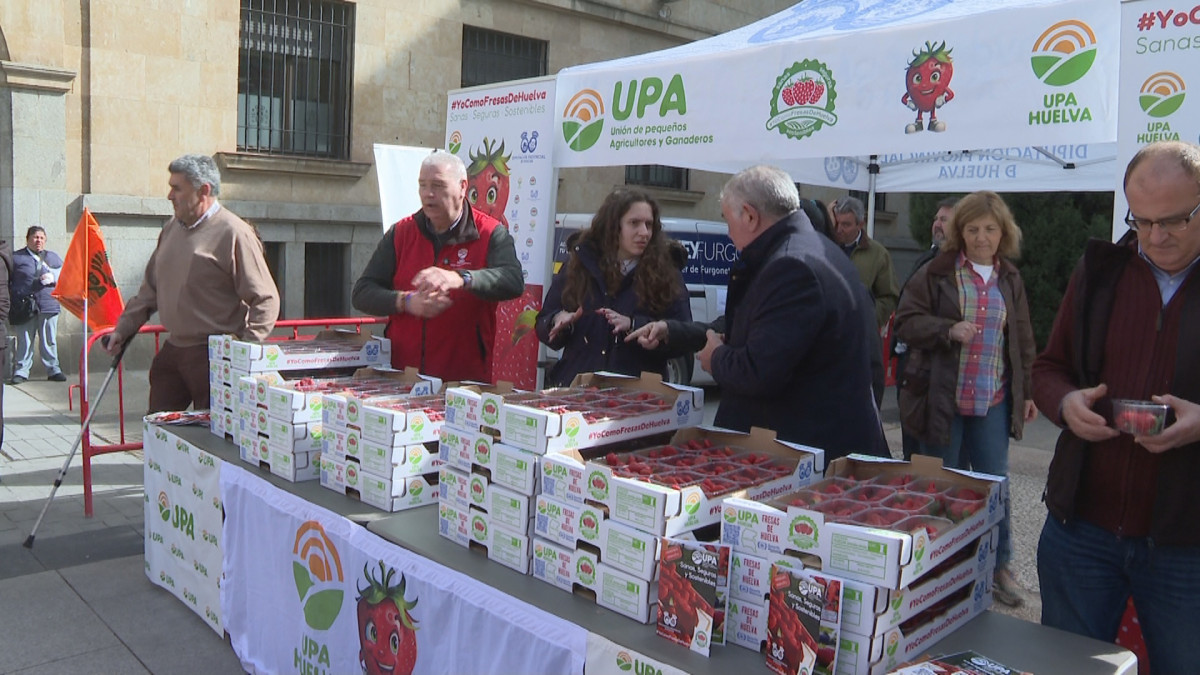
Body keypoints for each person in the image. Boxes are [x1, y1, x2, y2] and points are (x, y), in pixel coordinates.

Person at [1031, 141, 1200, 674]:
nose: (1154, 237)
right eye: (1142, 220)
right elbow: (1047, 369)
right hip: (1081, 530)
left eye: (1173, 220)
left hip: (1187, 542)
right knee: (1068, 668)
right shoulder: (1101, 270)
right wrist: (1066, 403)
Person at [627, 165, 887, 460]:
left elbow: (759, 371)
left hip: (801, 450)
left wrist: (717, 358)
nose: (728, 233)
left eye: (727, 220)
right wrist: (675, 331)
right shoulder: (815, 250)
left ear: (750, 216)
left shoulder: (792, 266)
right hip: (813, 442)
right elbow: (752, 328)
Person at [894, 190, 1038, 608]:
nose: (981, 237)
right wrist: (946, 330)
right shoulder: (937, 272)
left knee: (996, 485)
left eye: (990, 229)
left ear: (1003, 233)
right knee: (945, 485)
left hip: (991, 400)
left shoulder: (1009, 278)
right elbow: (905, 323)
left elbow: (1024, 339)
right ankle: (945, 567)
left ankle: (1000, 567)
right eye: (973, 229)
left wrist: (1026, 392)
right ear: (960, 232)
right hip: (943, 400)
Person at [104, 154, 280, 413]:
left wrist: (244, 350)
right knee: (158, 429)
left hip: (214, 356)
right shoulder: (171, 229)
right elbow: (148, 291)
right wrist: (122, 330)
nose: (169, 195)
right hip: (174, 350)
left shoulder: (234, 232)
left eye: (177, 188)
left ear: (203, 191)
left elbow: (265, 298)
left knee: (210, 439)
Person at [353, 152, 523, 382]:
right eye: (422, 185)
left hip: (463, 382)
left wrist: (461, 279)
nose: (428, 194)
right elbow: (362, 293)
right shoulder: (401, 233)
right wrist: (405, 301)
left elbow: (512, 280)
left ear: (463, 187)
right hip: (403, 376)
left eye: (438, 185)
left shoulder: (490, 233)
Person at [536, 190, 691, 387]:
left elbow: (685, 335)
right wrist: (557, 322)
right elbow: (543, 322)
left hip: (636, 396)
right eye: (634, 223)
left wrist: (638, 326)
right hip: (578, 389)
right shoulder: (580, 264)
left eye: (649, 224)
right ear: (612, 226)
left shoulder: (667, 273)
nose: (644, 232)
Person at [895, 197, 955, 459]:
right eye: (936, 218)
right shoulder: (926, 259)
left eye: (944, 220)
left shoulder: (959, 270)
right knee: (912, 443)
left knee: (936, 455)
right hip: (911, 363)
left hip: (939, 368)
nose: (936, 224)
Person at [831, 195, 900, 329]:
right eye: (837, 223)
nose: (839, 230)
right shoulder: (825, 247)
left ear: (860, 224)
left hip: (860, 333)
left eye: (846, 224)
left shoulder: (878, 254)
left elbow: (889, 297)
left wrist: (866, 317)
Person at [10, 226, 65, 383]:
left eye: (41, 238)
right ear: (27, 239)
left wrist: (53, 276)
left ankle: (54, 369)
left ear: (45, 240)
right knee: (25, 340)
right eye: (35, 237)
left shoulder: (53, 257)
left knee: (49, 339)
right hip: (24, 305)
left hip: (48, 304)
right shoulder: (16, 257)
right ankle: (21, 371)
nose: (38, 240)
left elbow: (67, 274)